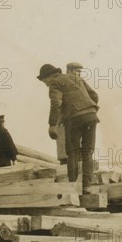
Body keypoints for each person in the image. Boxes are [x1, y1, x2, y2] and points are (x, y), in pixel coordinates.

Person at [37, 63, 99, 194]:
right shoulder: (76, 78)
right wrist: (88, 110)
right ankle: (87, 187)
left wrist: (52, 125)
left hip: (74, 118)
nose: (46, 84)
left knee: (72, 153)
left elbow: (56, 104)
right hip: (91, 116)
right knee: (88, 152)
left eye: (44, 81)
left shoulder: (55, 82)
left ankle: (73, 188)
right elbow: (94, 96)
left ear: (49, 76)